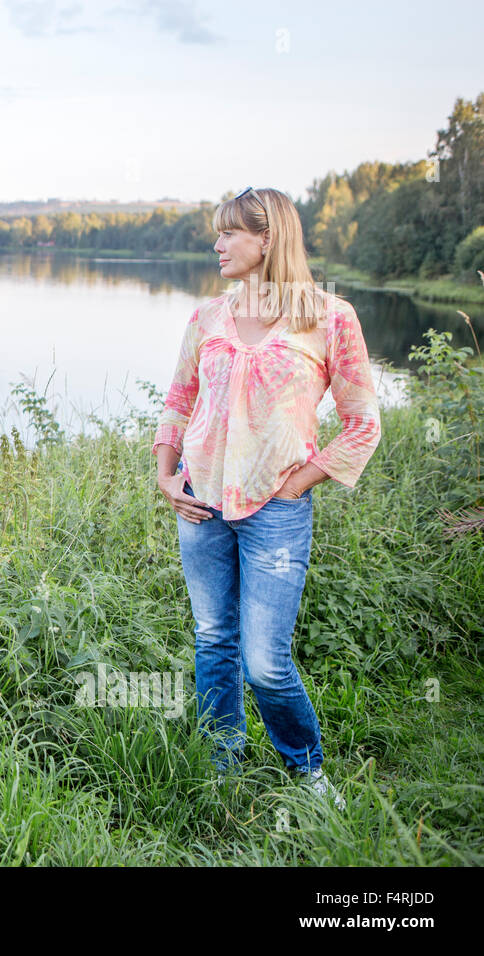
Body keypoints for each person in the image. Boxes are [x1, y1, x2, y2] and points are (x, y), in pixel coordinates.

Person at [151, 186, 382, 810]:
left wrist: (304, 479)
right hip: (200, 502)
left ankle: (307, 770)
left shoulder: (329, 318)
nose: (218, 244)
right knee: (212, 637)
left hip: (275, 512)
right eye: (217, 233)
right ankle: (221, 766)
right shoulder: (206, 318)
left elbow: (364, 421)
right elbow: (178, 401)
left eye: (230, 233)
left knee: (266, 662)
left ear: (269, 238)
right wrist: (167, 477)